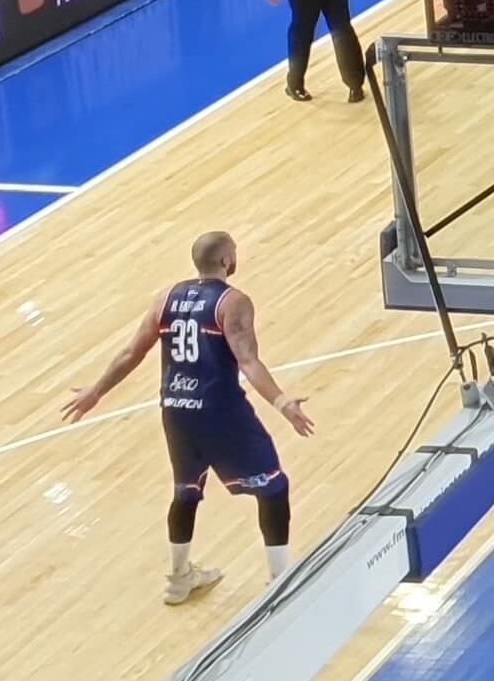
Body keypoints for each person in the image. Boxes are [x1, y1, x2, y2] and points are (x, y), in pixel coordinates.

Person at [58, 231, 316, 604]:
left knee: (186, 490)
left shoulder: (166, 298)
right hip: (221, 409)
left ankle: (179, 579)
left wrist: (95, 391)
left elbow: (132, 352)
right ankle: (280, 580)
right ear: (228, 261)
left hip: (176, 408)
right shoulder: (233, 302)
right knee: (273, 487)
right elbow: (248, 360)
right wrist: (282, 403)